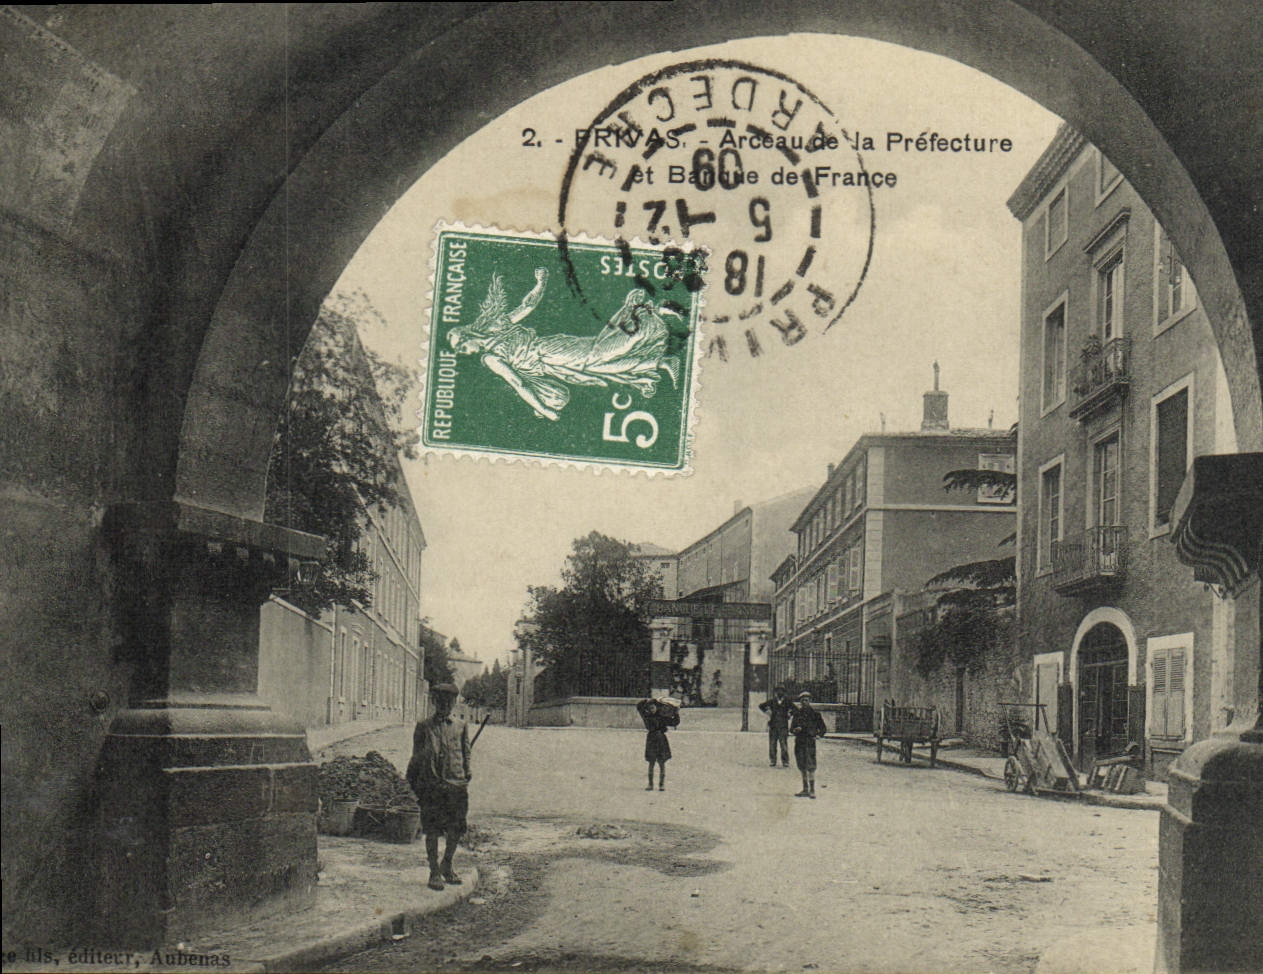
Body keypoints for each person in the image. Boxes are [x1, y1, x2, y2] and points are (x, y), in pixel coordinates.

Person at [448, 268, 682, 421]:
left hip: (548, 351)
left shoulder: (494, 340)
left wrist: (541, 282)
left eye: (461, 348)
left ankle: (648, 313)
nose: (465, 353)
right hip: (551, 365)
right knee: (599, 366)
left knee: (598, 355)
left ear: (468, 336)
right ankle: (661, 361)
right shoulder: (490, 351)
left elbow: (518, 382)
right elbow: (520, 381)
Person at [406, 683, 471, 892]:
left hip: (456, 783)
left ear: (453, 703)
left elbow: (465, 752)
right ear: (434, 702)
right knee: (432, 829)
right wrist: (411, 781)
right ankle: (434, 871)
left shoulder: (461, 726)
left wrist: (465, 773)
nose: (444, 705)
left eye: (449, 701)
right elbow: (415, 756)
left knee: (456, 828)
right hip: (432, 784)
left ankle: (447, 864)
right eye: (440, 701)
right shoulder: (424, 727)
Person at [636, 697, 680, 791]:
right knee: (651, 763)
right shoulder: (647, 716)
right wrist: (648, 700)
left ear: (657, 707)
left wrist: (676, 713)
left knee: (661, 763)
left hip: (661, 740)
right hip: (651, 739)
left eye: (654, 707)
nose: (652, 709)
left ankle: (661, 784)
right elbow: (639, 706)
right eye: (650, 708)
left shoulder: (662, 716)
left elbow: (674, 722)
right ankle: (650, 784)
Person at [790, 691, 827, 798]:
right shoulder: (797, 714)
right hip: (799, 742)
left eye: (806, 700)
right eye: (802, 700)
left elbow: (823, 728)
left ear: (810, 701)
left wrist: (819, 735)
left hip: (810, 742)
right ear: (800, 702)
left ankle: (812, 790)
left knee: (810, 766)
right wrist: (795, 730)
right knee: (801, 765)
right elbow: (791, 729)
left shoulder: (815, 715)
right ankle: (805, 789)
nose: (804, 702)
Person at [758, 685, 794, 768]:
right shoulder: (772, 701)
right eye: (778, 691)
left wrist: (790, 714)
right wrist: (768, 711)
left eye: (782, 691)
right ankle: (772, 760)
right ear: (775, 693)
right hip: (773, 726)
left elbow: (795, 709)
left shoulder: (787, 702)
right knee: (772, 744)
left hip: (783, 726)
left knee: (783, 745)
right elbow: (761, 706)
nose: (780, 693)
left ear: (784, 693)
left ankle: (785, 761)